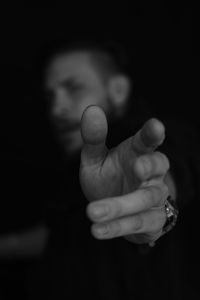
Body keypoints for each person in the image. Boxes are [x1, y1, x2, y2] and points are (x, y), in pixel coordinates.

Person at [25, 39, 199, 299]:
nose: (56, 109)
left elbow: (177, 167)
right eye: (50, 96)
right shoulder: (72, 171)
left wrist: (158, 202)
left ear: (118, 90)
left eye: (73, 88)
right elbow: (60, 235)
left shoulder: (153, 136)